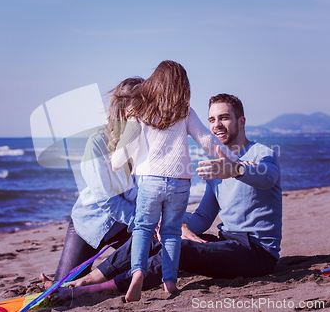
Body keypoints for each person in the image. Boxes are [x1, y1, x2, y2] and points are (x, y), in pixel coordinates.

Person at [52, 92, 282, 301]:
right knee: (160, 236)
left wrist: (238, 169)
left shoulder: (261, 153)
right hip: (228, 241)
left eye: (224, 118)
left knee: (178, 250)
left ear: (241, 121)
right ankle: (89, 278)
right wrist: (172, 224)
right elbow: (203, 217)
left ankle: (98, 288)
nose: (217, 125)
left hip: (257, 252)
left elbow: (268, 177)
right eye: (211, 120)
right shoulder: (217, 170)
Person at [111, 61, 240, 301]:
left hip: (150, 179)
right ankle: (169, 281)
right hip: (180, 182)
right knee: (171, 233)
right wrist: (234, 159)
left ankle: (137, 271)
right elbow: (207, 141)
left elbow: (125, 149)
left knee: (143, 228)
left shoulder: (138, 109)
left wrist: (115, 161)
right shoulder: (185, 111)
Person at [41, 77, 144, 285]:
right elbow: (107, 200)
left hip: (125, 227)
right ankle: (59, 281)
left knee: (154, 260)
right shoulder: (98, 143)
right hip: (90, 226)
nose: (144, 111)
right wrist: (143, 221)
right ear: (123, 108)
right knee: (63, 286)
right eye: (139, 104)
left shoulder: (148, 143)